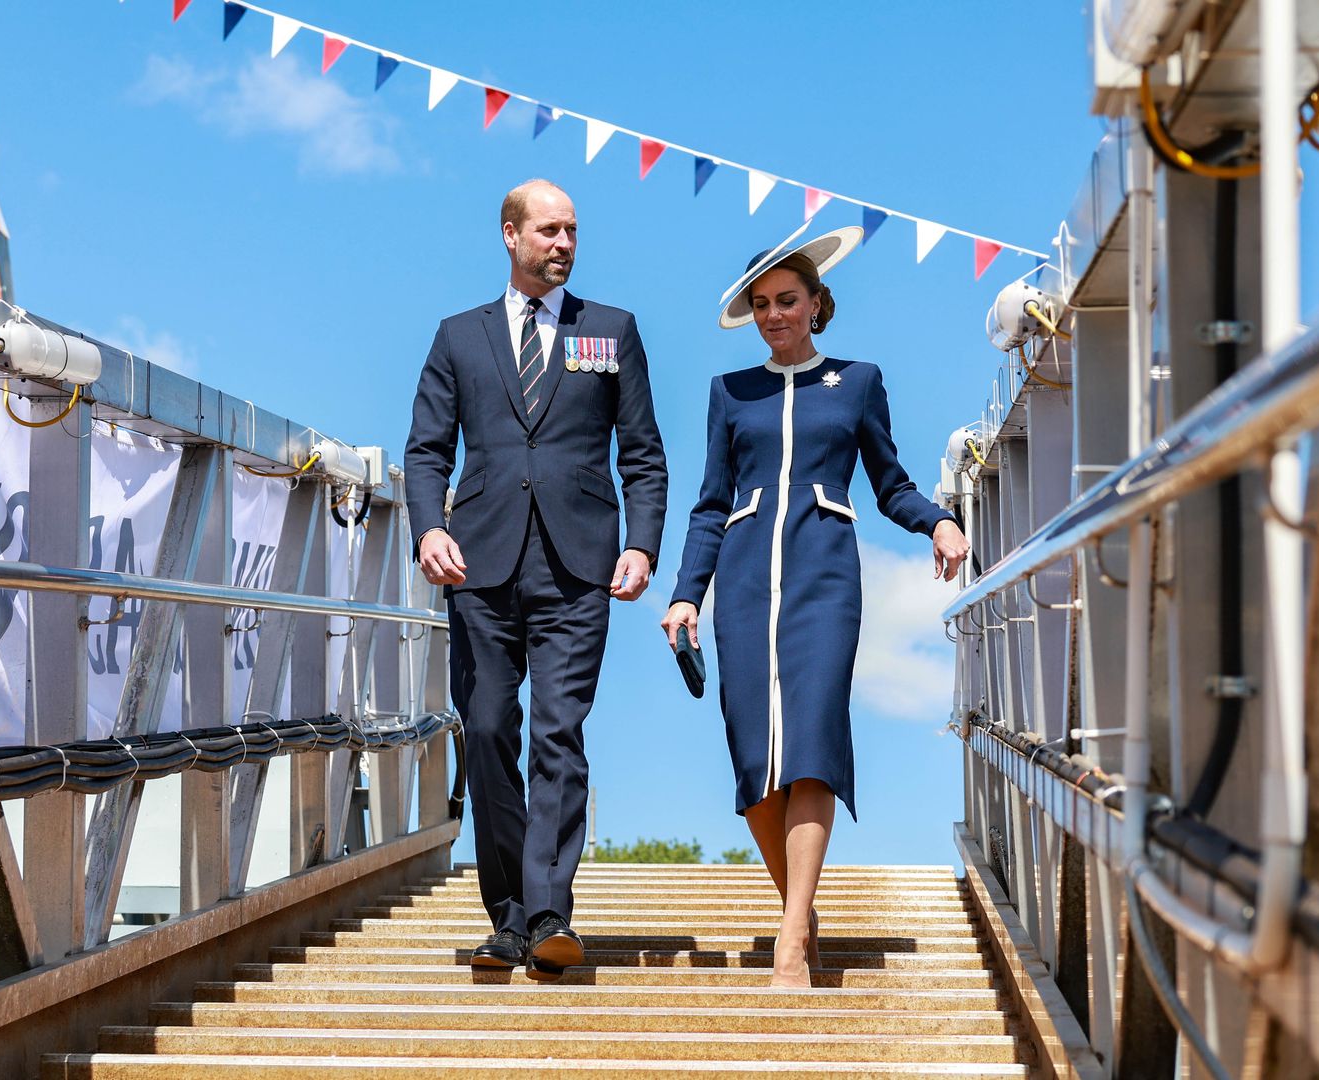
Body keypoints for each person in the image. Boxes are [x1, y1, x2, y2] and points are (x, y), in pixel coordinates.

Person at [660, 226, 970, 988]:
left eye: (787, 300)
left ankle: (791, 937)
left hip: (824, 573)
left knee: (811, 744)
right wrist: (682, 596)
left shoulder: (858, 381)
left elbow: (889, 482)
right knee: (753, 758)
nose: (774, 315)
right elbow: (708, 506)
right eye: (761, 304)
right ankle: (802, 911)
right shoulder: (730, 393)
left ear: (817, 303)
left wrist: (939, 520)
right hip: (740, 578)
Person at [404, 179, 668, 981]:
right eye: (549, 230)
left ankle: (548, 912)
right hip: (478, 565)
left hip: (579, 565)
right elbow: (424, 453)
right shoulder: (458, 336)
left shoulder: (611, 330)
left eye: (573, 231)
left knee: (559, 732)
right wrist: (429, 527)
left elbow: (643, 455)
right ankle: (508, 914)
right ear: (510, 234)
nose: (564, 244)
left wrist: (643, 544)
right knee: (485, 729)